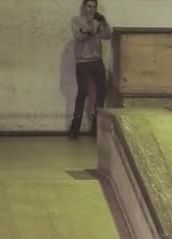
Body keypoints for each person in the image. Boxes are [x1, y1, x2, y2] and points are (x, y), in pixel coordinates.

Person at [68, 0, 111, 139]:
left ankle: (96, 125)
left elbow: (107, 35)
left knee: (102, 91)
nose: (91, 9)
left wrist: (104, 22)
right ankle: (75, 127)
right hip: (82, 62)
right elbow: (80, 36)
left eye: (94, 7)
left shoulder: (98, 21)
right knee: (83, 93)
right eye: (89, 6)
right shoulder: (76, 20)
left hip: (97, 61)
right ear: (83, 7)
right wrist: (90, 23)